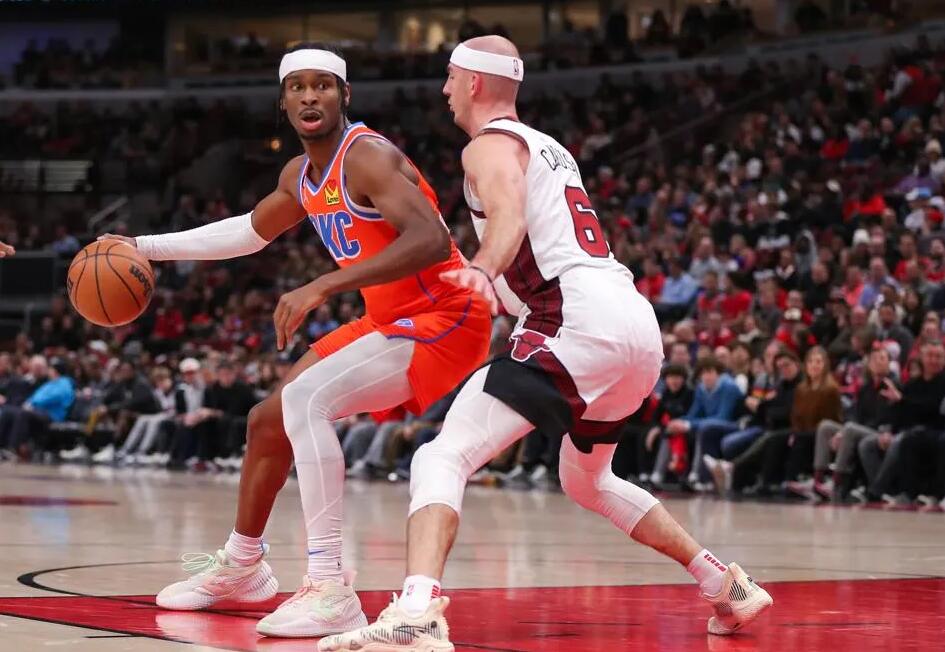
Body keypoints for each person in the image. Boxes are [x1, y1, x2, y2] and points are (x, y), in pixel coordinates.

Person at [320, 36, 771, 652]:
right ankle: (724, 583)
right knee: (588, 480)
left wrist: (483, 267)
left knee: (440, 456)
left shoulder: (488, 146)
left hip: (574, 319)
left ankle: (417, 612)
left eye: (450, 77)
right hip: (632, 324)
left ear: (474, 82)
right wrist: (485, 272)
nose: (444, 89)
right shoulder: (550, 148)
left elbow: (508, 216)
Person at [101, 43, 491, 638]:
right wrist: (143, 247)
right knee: (269, 419)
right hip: (391, 317)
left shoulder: (368, 156)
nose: (311, 96)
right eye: (298, 87)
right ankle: (243, 564)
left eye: (323, 85)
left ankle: (330, 587)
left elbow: (432, 240)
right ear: (283, 102)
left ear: (344, 95)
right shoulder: (300, 175)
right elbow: (248, 233)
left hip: (449, 315)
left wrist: (324, 284)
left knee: (307, 400)